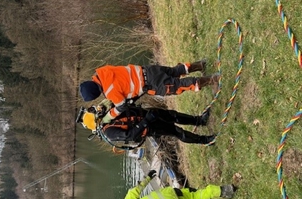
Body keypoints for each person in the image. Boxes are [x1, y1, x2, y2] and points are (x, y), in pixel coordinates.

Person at [79, 60, 219, 124]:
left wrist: (108, 116)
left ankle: (213, 80)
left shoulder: (110, 92)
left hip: (150, 84)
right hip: (147, 70)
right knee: (173, 71)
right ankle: (200, 65)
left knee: (178, 86)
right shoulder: (103, 71)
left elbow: (121, 105)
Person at [76, 101, 216, 149]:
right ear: (96, 120)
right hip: (149, 126)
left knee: (173, 115)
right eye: (95, 112)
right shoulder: (108, 132)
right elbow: (130, 135)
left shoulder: (107, 115)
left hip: (145, 113)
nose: (97, 110)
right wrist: (146, 121)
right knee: (176, 131)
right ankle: (205, 140)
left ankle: (199, 120)